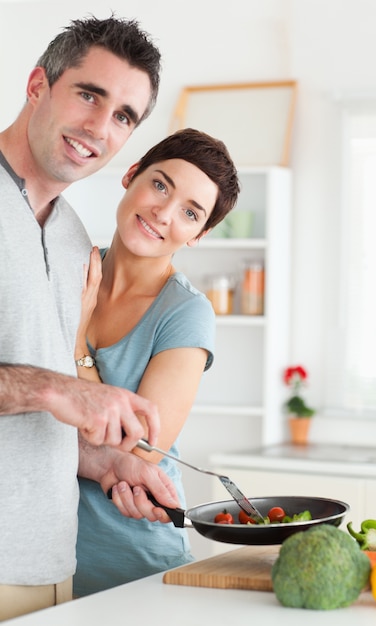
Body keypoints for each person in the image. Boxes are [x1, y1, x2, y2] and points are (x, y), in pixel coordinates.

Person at [0, 15, 180, 621]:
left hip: (52, 567)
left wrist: (107, 463)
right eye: (88, 94)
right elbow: (46, 391)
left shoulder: (77, 240)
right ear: (36, 86)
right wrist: (58, 389)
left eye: (124, 116)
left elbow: (30, 420)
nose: (100, 128)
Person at [72, 128, 240, 595]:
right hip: (41, 553)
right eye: (161, 185)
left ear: (198, 235)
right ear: (130, 176)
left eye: (190, 213)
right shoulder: (69, 269)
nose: (163, 214)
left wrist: (80, 342)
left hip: (131, 562)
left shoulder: (186, 312)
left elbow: (138, 450)